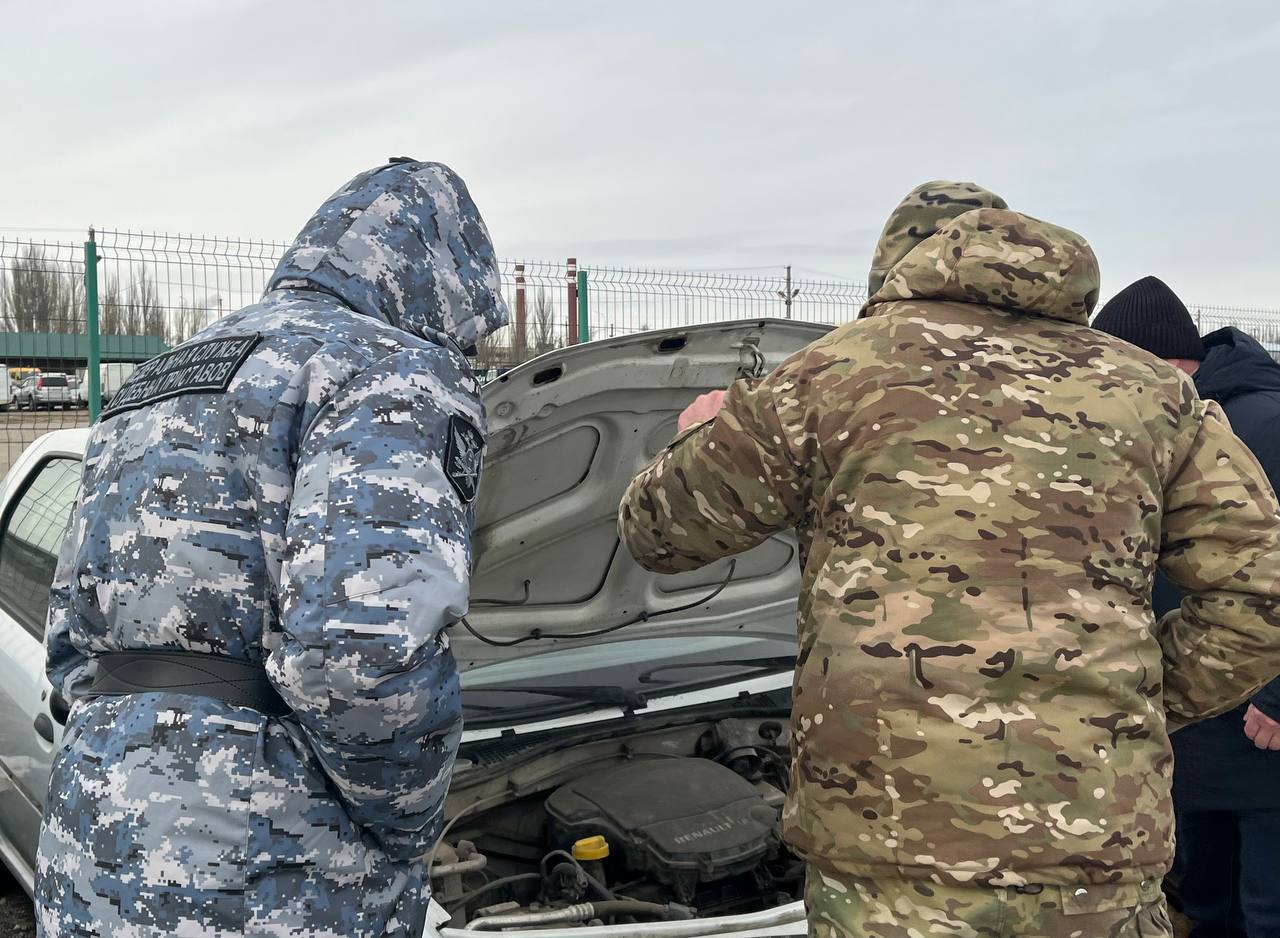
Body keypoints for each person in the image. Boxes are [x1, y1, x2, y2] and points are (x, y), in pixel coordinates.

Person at [617, 180, 1280, 938]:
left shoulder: (831, 375)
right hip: (1097, 848)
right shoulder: (1156, 394)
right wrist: (1130, 707)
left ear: (896, 270)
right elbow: (1263, 591)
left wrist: (706, 431)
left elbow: (659, 532)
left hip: (887, 854)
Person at [35, 158, 508, 937]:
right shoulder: (390, 368)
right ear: (448, 280)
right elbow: (360, 658)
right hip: (262, 872)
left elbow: (70, 638)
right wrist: (408, 822)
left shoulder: (154, 380)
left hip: (89, 838)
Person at [1094, 277, 1280, 938]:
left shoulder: (1263, 423)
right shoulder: (1171, 424)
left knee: (1267, 908)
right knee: (1207, 901)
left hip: (1263, 729)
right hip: (1203, 731)